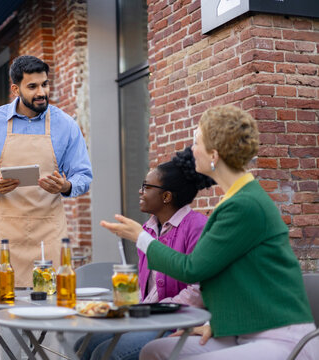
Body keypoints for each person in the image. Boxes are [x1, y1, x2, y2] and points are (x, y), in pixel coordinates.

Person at [101, 105, 318, 360]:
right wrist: (215, 325)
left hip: (281, 338)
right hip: (242, 330)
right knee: (154, 351)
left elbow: (192, 269)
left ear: (213, 155)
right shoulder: (235, 200)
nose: (192, 150)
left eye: (196, 142)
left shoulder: (245, 205)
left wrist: (141, 237)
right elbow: (243, 277)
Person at [0, 55, 92, 287]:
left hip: (49, 232)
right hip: (6, 234)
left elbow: (83, 175)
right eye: (32, 86)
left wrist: (67, 186)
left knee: (54, 304)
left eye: (45, 84)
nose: (41, 92)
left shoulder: (66, 125)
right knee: (7, 309)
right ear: (15, 88)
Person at [75, 147, 214, 360]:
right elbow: (147, 286)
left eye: (146, 187)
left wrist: (154, 311)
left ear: (166, 196)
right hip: (148, 317)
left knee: (105, 354)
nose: (140, 191)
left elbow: (199, 290)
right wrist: (135, 310)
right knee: (84, 344)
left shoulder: (197, 226)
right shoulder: (148, 229)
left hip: (178, 321)